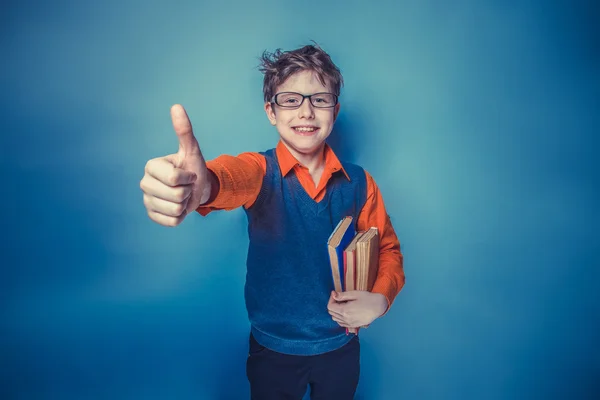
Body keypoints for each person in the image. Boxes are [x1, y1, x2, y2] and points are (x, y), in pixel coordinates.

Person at [139, 43, 405, 399]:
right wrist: (203, 186)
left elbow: (387, 248)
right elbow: (231, 177)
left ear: (335, 110)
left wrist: (381, 299)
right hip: (273, 351)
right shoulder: (260, 170)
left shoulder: (361, 183)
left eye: (320, 99)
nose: (307, 111)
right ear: (271, 111)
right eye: (291, 100)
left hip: (341, 348)